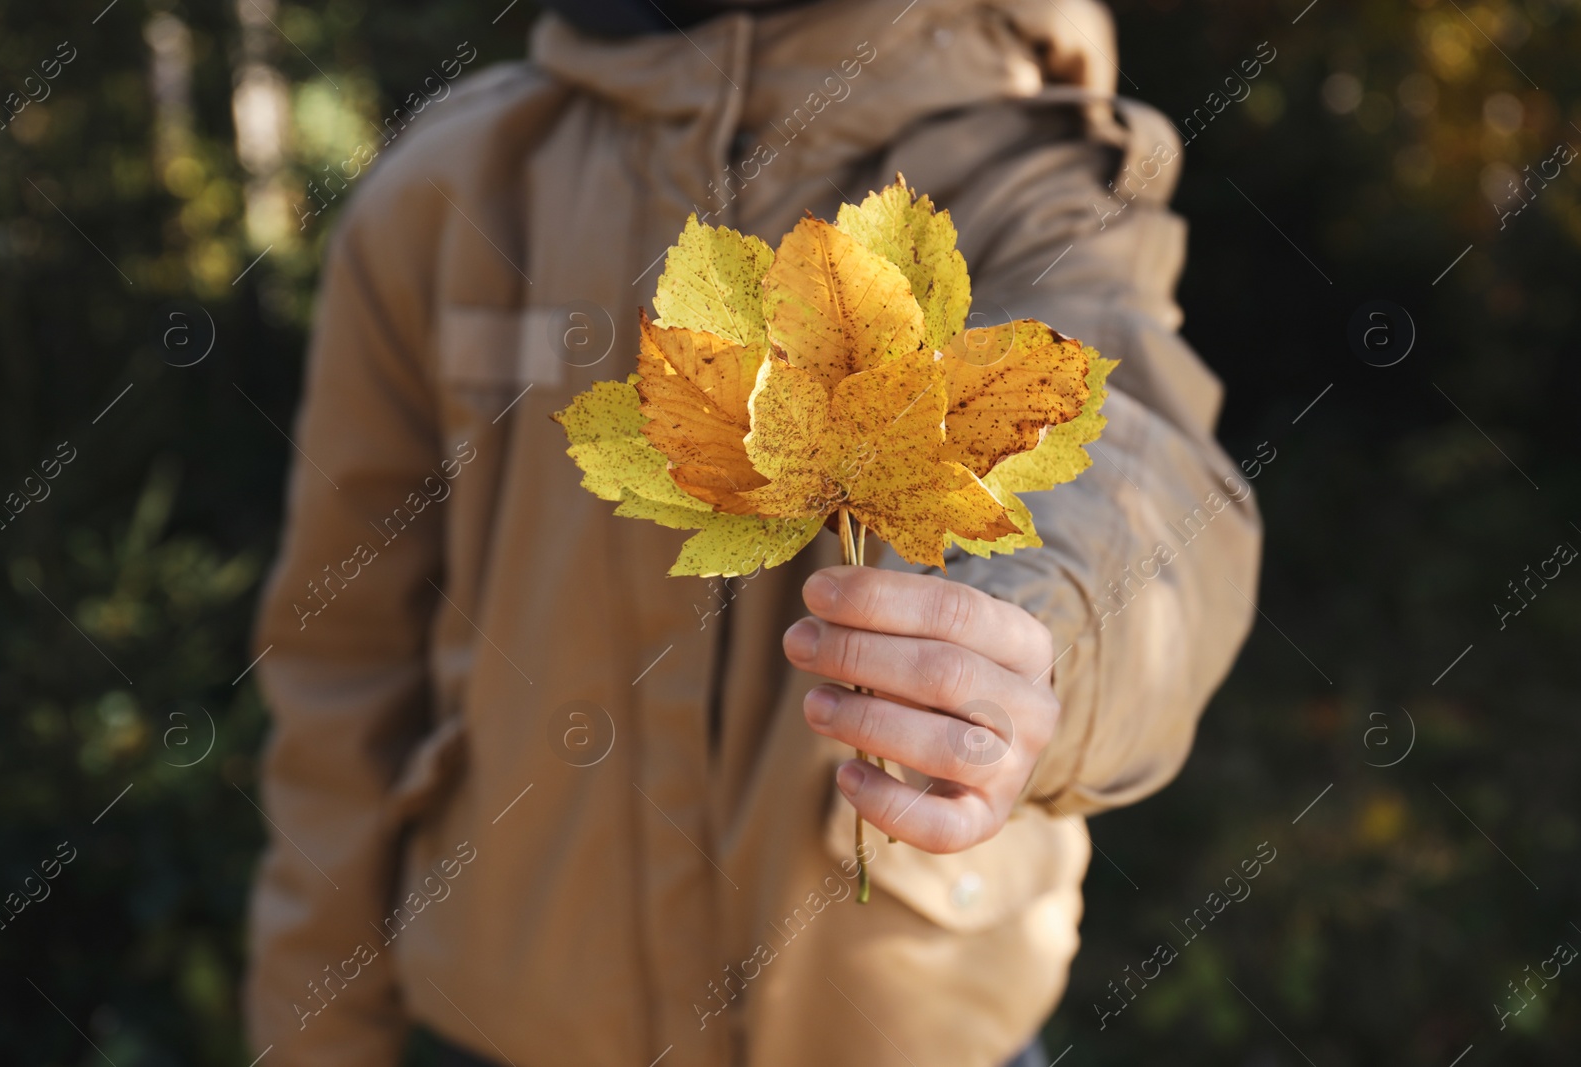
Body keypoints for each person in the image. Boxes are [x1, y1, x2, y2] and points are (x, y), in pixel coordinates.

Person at [243, 1, 1262, 1065]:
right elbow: (341, 673)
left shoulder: (1021, 159)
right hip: (507, 1027)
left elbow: (1131, 453)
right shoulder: (453, 186)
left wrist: (1039, 627)